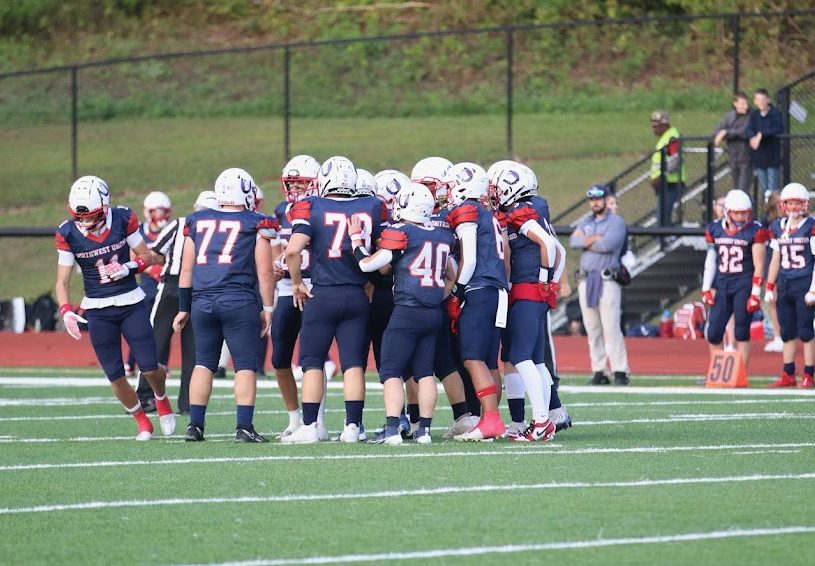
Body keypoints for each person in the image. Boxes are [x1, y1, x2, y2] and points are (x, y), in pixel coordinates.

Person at [55, 175, 175, 440]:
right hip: (97, 308)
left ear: (105, 207)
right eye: (81, 218)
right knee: (115, 376)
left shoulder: (122, 218)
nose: (85, 222)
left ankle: (162, 400)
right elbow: (62, 282)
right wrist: (65, 310)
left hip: (130, 301)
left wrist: (127, 268)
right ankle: (142, 422)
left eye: (91, 216)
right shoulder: (67, 232)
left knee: (149, 367)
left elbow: (147, 256)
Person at [282, 156, 385, 444]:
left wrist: (298, 283)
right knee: (353, 364)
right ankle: (353, 427)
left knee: (312, 362)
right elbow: (381, 251)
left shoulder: (312, 206)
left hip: (323, 293)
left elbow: (292, 251)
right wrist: (370, 281)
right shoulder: (372, 207)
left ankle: (311, 426)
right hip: (357, 294)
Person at [173, 167, 277, 443]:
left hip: (202, 301)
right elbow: (265, 272)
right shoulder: (256, 222)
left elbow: (186, 269)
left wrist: (184, 307)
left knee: (203, 363)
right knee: (244, 364)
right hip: (238, 300)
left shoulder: (196, 221)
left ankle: (194, 426)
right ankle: (244, 427)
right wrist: (268, 308)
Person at [354, 183, 456, 444]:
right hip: (432, 312)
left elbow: (369, 265)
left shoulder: (401, 232)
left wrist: (356, 241)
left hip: (407, 311)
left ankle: (391, 429)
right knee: (424, 372)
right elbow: (449, 275)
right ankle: (424, 431)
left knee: (390, 371)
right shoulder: (441, 235)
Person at [493, 163, 563, 441]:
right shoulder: (529, 210)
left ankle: (542, 422)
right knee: (536, 362)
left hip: (527, 289)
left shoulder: (520, 213)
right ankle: (545, 421)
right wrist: (551, 280)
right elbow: (562, 250)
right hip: (533, 290)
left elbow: (548, 244)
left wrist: (545, 279)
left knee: (520, 358)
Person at [410, 158, 477, 439]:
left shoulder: (449, 217)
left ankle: (419, 422)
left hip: (433, 296)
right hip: (444, 293)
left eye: (429, 186)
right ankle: (463, 416)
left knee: (438, 361)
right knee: (444, 361)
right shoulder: (450, 215)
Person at [445, 162, 509, 442]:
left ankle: (491, 420)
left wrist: (458, 291)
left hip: (479, 288)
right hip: (497, 289)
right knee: (489, 360)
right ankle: (489, 419)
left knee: (472, 357)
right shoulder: (488, 215)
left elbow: (469, 258)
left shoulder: (467, 211)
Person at [143, 190, 217, 415]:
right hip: (197, 289)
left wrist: (168, 261)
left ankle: (147, 396)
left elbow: (155, 252)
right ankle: (187, 403)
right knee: (189, 349)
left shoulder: (181, 223)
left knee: (157, 342)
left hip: (179, 287)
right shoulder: (221, 227)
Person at [569, 184, 630, 385]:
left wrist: (586, 240)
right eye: (591, 199)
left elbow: (608, 245)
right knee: (592, 328)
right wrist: (593, 239)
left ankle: (620, 370)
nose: (595, 202)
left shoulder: (616, 222)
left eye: (598, 198)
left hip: (607, 280)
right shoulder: (587, 221)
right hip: (586, 280)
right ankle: (600, 370)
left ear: (605, 199)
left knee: (611, 327)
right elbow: (573, 242)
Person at [701, 189, 767, 367]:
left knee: (741, 330)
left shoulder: (755, 230)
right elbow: (711, 260)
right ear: (728, 212)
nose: (740, 217)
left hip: (743, 283)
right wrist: (706, 287)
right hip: (722, 283)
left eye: (743, 213)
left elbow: (759, 265)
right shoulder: (715, 229)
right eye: (736, 213)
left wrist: (755, 293)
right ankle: (718, 370)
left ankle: (741, 372)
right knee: (714, 331)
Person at [764, 183, 815, 388]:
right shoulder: (777, 227)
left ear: (804, 204)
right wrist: (769, 286)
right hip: (785, 283)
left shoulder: (810, 226)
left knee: (806, 331)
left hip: (804, 282)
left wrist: (813, 288)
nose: (794, 206)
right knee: (787, 331)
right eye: (790, 202)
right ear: (783, 205)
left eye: (797, 202)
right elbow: (775, 259)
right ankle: (788, 372)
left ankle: (809, 373)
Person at [649, 110, 686, 227]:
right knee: (662, 216)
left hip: (671, 183)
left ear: (664, 124)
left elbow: (676, 159)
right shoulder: (666, 137)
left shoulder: (672, 136)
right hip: (665, 184)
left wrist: (661, 175)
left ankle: (666, 242)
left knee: (663, 218)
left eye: (656, 126)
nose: (654, 129)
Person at [713, 92, 753, 194]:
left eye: (746, 103)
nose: (745, 106)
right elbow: (715, 131)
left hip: (746, 158)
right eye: (742, 104)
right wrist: (723, 133)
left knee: (743, 190)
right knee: (736, 188)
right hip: (733, 157)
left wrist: (726, 132)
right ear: (735, 104)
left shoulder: (751, 115)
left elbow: (745, 131)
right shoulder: (729, 117)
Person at [746, 88, 784, 196]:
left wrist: (761, 135)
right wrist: (753, 137)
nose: (761, 102)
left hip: (772, 157)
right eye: (758, 100)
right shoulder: (754, 114)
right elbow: (749, 129)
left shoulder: (775, 113)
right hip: (759, 157)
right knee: (764, 190)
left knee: (773, 190)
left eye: (763, 99)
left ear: (768, 100)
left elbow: (778, 128)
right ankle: (766, 211)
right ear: (755, 101)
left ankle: (774, 212)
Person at [762, 191, 784, 352]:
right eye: (778, 203)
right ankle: (778, 336)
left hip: (790, 267)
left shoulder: (793, 222)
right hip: (772, 265)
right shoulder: (766, 224)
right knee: (772, 300)